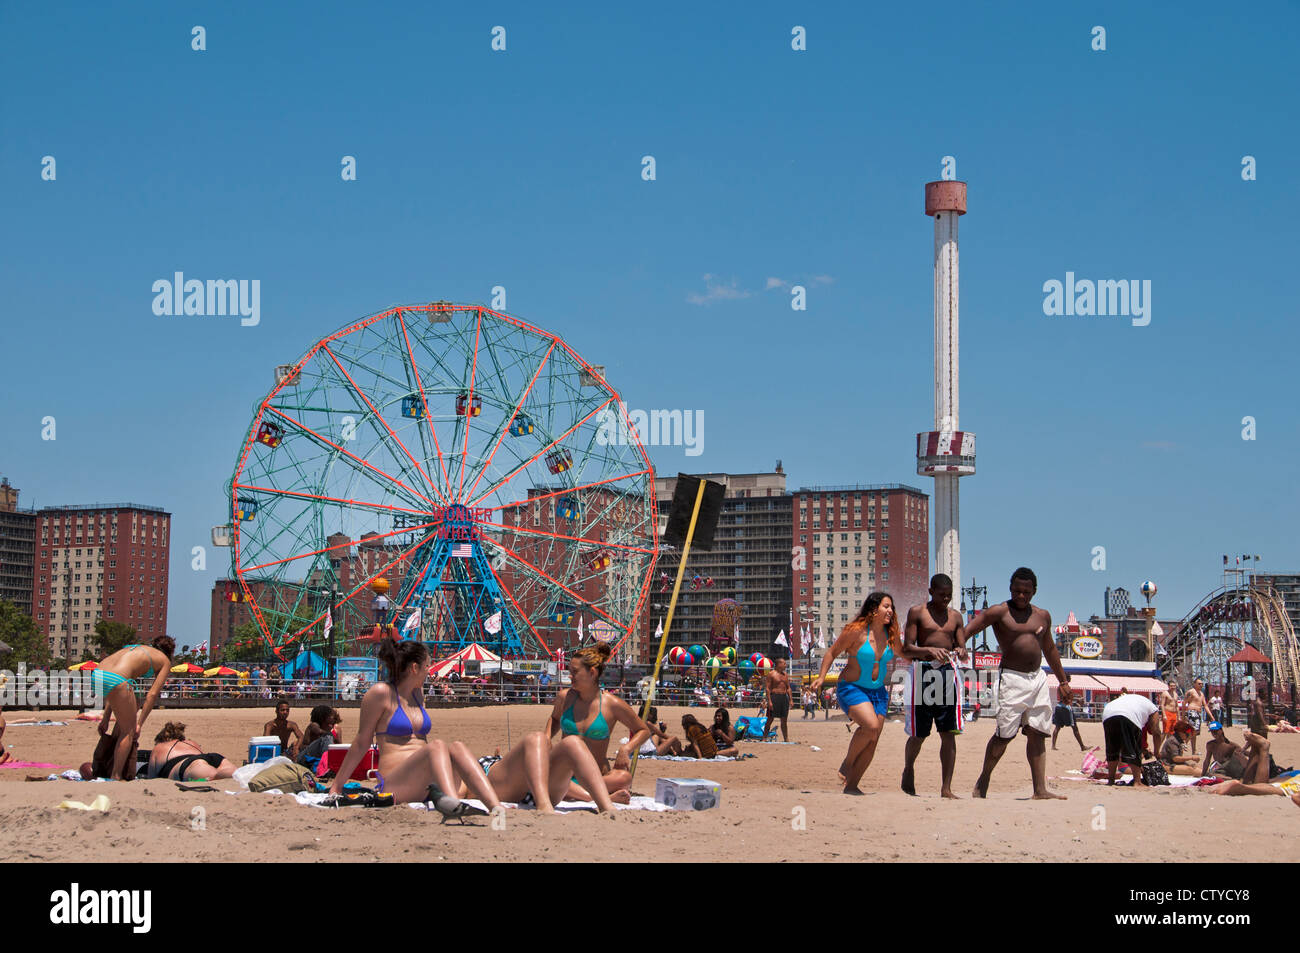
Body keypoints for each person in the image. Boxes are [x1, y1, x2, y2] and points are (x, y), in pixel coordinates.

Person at [329, 639, 497, 818]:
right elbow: (362, 742)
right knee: (437, 746)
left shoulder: (418, 694)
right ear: (414, 668)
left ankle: (496, 807)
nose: (429, 671)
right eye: (427, 666)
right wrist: (337, 786)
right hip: (396, 782)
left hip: (425, 780)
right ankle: (451, 803)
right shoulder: (381, 693)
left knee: (457, 747)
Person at [962, 568, 1071, 800]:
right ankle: (984, 778)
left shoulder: (1043, 616)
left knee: (1038, 732)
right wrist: (960, 646)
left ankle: (1040, 789)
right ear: (1010, 588)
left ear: (1034, 591)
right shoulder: (999, 612)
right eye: (1017, 591)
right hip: (1011, 678)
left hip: (1038, 677)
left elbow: (1050, 649)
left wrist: (1063, 680)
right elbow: (968, 630)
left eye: (1026, 592)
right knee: (1005, 735)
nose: (1021, 596)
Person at [809, 592, 905, 795]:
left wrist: (929, 653)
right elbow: (832, 653)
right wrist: (821, 677)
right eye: (886, 606)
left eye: (892, 607)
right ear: (873, 609)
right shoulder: (856, 631)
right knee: (870, 726)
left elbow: (905, 654)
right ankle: (848, 761)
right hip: (852, 687)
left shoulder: (892, 634)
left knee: (873, 739)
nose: (890, 611)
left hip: (878, 692)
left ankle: (852, 786)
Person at [545, 641, 652, 805]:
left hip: (596, 776)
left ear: (592, 673)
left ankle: (582, 793)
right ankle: (594, 797)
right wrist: (547, 738)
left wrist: (626, 748)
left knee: (624, 778)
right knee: (540, 771)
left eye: (574, 672)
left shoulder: (612, 704)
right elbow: (555, 718)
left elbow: (643, 730)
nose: (570, 676)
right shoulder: (565, 697)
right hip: (565, 774)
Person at [901, 573, 968, 798]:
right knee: (919, 734)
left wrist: (961, 650)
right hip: (923, 671)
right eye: (941, 595)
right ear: (931, 592)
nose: (945, 600)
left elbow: (963, 648)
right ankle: (909, 768)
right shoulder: (917, 612)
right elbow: (907, 649)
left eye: (949, 596)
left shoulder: (956, 617)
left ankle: (946, 788)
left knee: (948, 732)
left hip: (947, 672)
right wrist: (929, 650)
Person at [90, 636, 175, 780]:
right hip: (117, 679)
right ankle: (116, 775)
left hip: (97, 674)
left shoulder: (136, 648)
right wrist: (139, 725)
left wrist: (105, 719)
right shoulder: (165, 661)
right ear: (170, 652)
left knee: (132, 704)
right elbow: (152, 695)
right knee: (128, 732)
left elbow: (115, 690)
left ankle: (109, 760)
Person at [1100, 690, 1163, 787]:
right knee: (1134, 750)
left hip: (1108, 713)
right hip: (1128, 715)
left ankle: (1111, 780)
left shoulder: (1138, 703)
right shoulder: (1153, 709)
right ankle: (1137, 781)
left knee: (1113, 747)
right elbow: (1157, 732)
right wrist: (1157, 752)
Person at [147, 722, 237, 781]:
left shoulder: (159, 747)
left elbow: (151, 778)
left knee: (214, 776)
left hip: (189, 764)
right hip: (212, 757)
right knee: (236, 773)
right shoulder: (191, 743)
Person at [296, 705, 339, 770]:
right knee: (327, 737)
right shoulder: (314, 725)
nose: (332, 717)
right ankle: (326, 764)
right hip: (303, 758)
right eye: (330, 715)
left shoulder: (327, 728)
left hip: (311, 757)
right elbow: (319, 732)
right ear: (323, 717)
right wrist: (332, 734)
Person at [1051, 675, 1086, 752]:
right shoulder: (1065, 686)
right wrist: (1075, 700)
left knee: (1057, 727)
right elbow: (1067, 697)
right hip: (1066, 707)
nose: (1070, 679)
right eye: (1069, 677)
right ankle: (1082, 746)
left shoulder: (1059, 686)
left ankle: (1053, 745)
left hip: (1058, 706)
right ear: (1066, 678)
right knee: (1074, 727)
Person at [763, 658, 793, 741]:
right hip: (774, 696)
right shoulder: (771, 674)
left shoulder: (785, 675)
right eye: (784, 663)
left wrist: (791, 699)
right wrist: (769, 701)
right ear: (778, 664)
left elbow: (788, 688)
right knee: (770, 719)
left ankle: (786, 738)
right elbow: (768, 688)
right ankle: (764, 737)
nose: (785, 665)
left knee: (784, 719)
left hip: (783, 697)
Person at [1183, 678, 1207, 755]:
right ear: (1195, 684)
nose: (1201, 685)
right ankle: (1184, 743)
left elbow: (1205, 705)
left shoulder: (1201, 694)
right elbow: (1184, 703)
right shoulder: (1191, 692)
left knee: (1195, 733)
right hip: (1192, 712)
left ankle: (1194, 751)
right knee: (1194, 730)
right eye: (1199, 683)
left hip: (1198, 713)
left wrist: (1212, 717)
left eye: (1202, 684)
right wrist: (1183, 715)